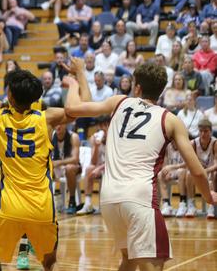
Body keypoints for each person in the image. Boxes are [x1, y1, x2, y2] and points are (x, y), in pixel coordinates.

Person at [65, 62, 217, 271]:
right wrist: (208, 197)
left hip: (109, 198)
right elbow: (197, 170)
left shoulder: (119, 102)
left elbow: (73, 108)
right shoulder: (170, 120)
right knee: (155, 265)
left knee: (128, 261)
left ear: (137, 88)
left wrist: (75, 81)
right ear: (162, 90)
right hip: (139, 198)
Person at [0, 18, 90, 270]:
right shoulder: (46, 118)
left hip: (9, 208)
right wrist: (77, 76)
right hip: (42, 208)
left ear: (9, 95)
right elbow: (81, 108)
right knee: (49, 262)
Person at [180, 119, 217, 218]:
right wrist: (200, 171)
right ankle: (191, 205)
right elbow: (188, 163)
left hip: (210, 171)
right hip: (198, 172)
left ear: (211, 131)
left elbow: (216, 165)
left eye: (206, 131)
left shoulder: (215, 143)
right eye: (201, 131)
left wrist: (206, 171)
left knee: (214, 174)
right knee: (188, 173)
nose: (203, 134)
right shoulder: (193, 143)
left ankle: (211, 206)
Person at [77, 115, 110, 215]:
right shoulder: (95, 137)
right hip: (101, 168)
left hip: (112, 168)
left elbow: (112, 161)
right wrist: (95, 146)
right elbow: (94, 162)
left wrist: (99, 168)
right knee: (89, 169)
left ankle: (105, 206)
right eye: (100, 126)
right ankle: (88, 204)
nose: (103, 128)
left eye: (105, 125)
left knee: (94, 169)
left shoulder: (115, 137)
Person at [51, 123, 81, 214]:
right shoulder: (52, 136)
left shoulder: (73, 136)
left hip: (73, 166)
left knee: (69, 168)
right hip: (57, 167)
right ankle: (48, 200)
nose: (58, 126)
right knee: (44, 168)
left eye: (61, 124)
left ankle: (72, 201)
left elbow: (75, 159)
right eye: (56, 124)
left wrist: (59, 162)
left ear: (65, 125)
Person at [158, 142, 187, 217]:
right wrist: (166, 171)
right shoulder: (168, 146)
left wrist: (171, 168)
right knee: (160, 174)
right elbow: (165, 161)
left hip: (183, 171)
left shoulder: (185, 145)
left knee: (181, 171)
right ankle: (166, 204)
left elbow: (186, 164)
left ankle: (182, 203)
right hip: (172, 171)